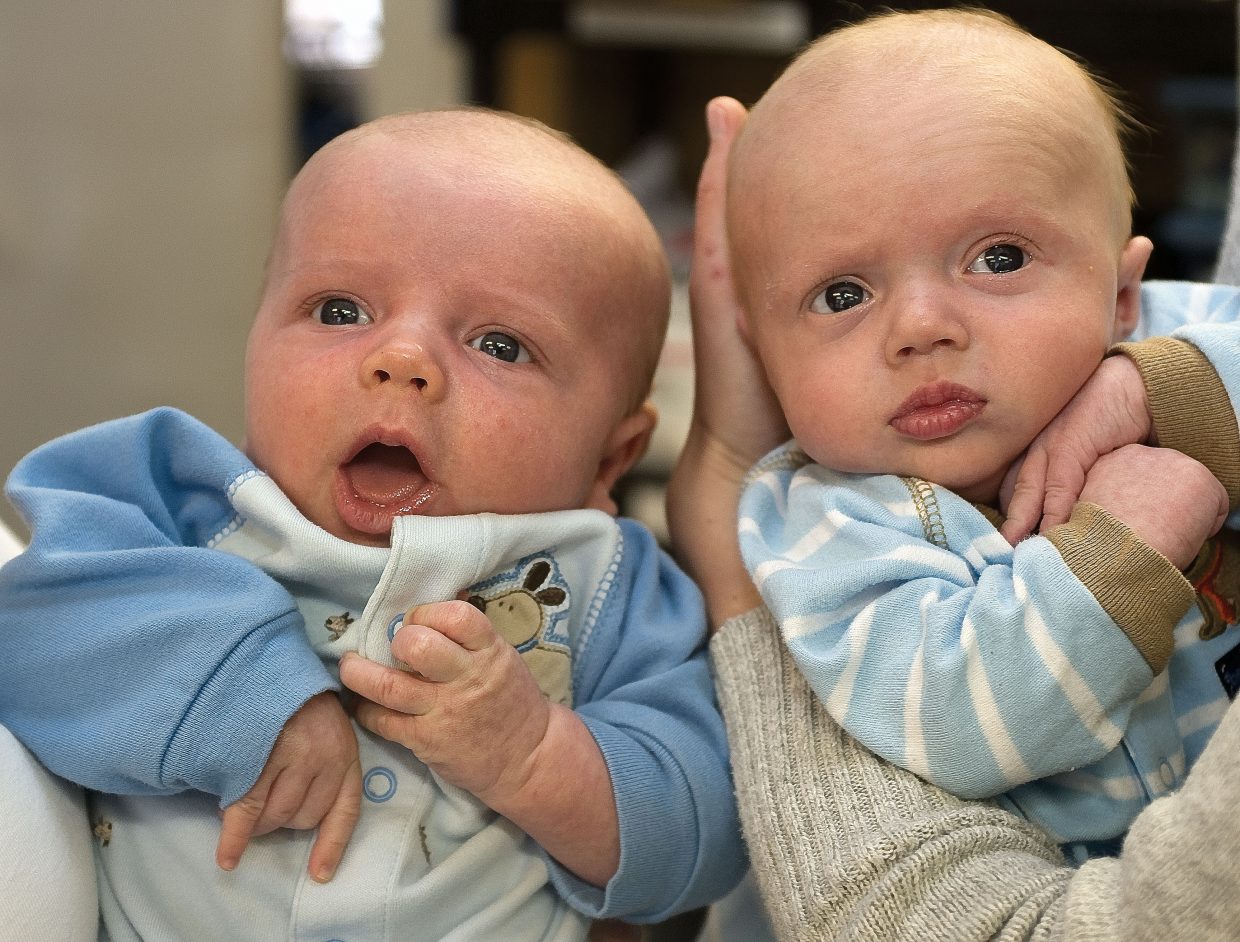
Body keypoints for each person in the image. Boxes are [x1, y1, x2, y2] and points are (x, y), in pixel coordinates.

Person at [0, 108, 745, 941]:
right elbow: (30, 629)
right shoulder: (179, 497)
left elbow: (709, 837)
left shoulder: (608, 586)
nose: (401, 360)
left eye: (500, 344)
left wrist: (534, 757)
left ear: (611, 458)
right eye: (339, 310)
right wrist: (243, 696)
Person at [667, 23, 1240, 942]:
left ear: (1123, 293)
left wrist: (1166, 392)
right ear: (762, 355)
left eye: (998, 258)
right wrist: (1117, 553)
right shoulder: (821, 522)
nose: (920, 326)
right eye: (842, 294)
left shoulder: (1178, 338)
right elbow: (959, 720)